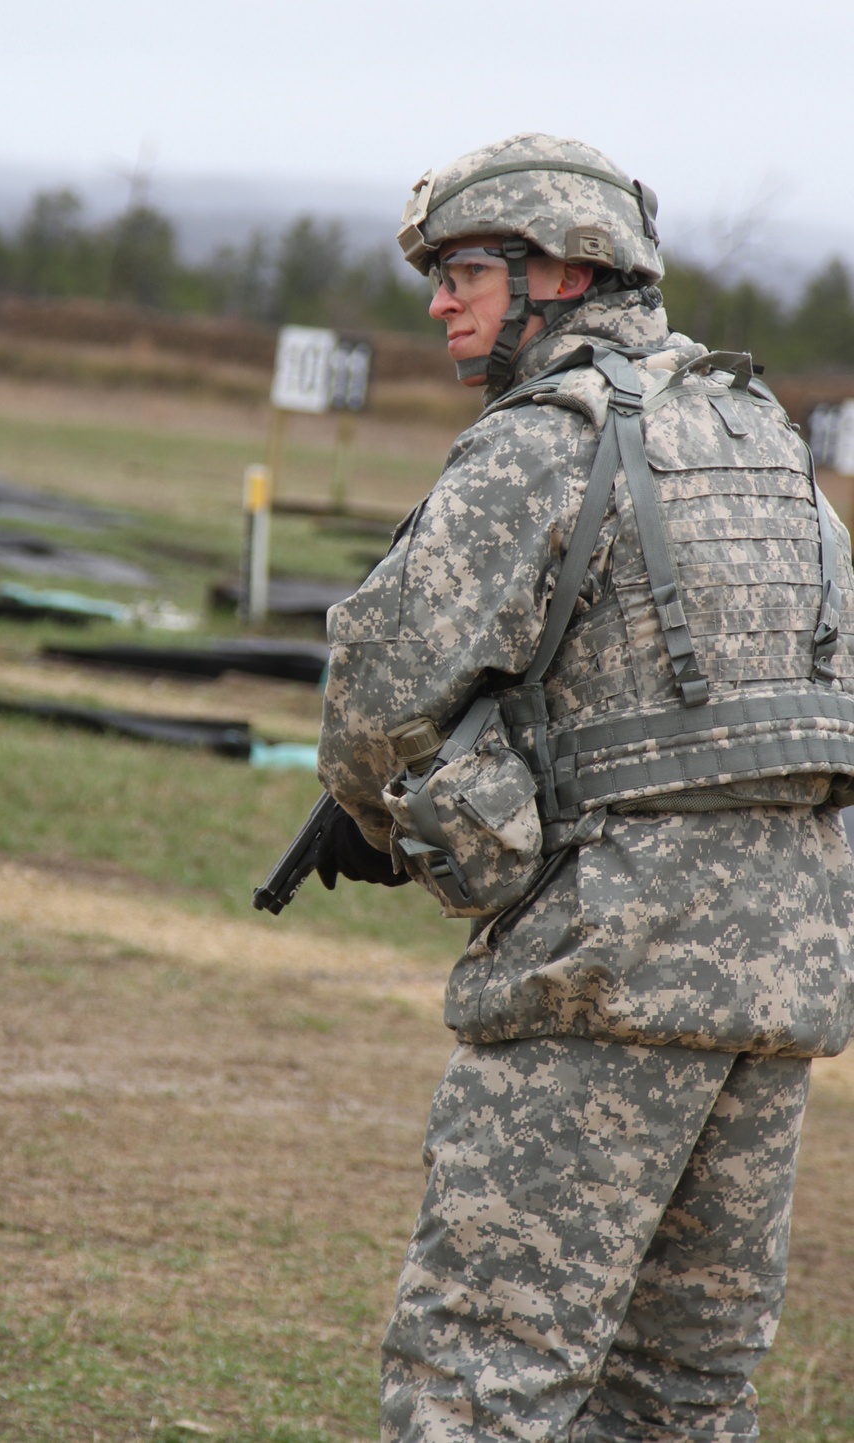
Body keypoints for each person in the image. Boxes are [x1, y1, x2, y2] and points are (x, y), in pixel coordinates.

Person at [314, 132, 854, 1443]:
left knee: (483, 1377)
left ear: (563, 269)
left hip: (598, 977)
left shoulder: (539, 445)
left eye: (465, 271)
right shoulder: (764, 436)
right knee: (686, 1393)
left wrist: (421, 820)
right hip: (778, 994)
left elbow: (376, 693)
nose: (440, 299)